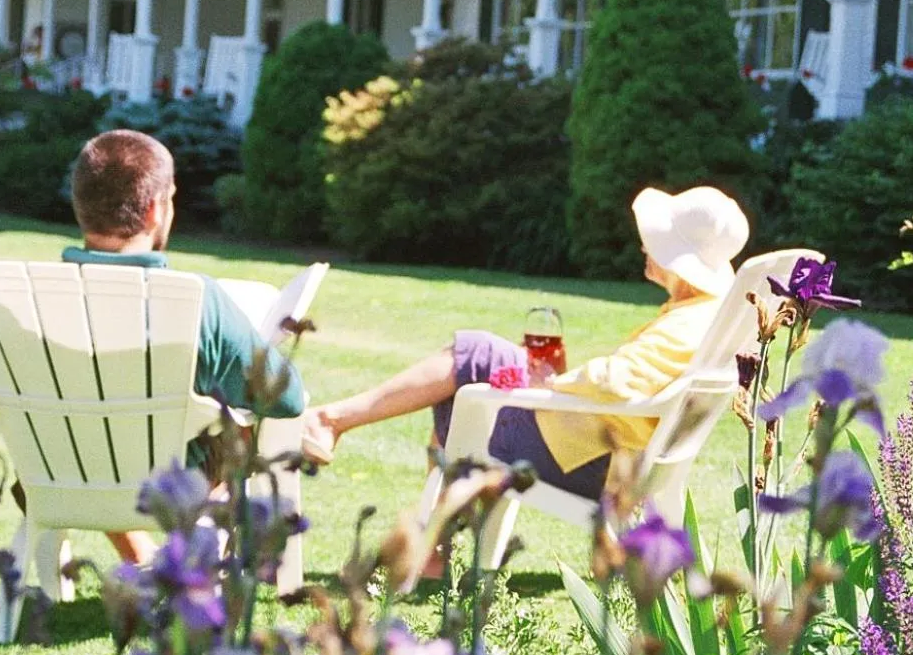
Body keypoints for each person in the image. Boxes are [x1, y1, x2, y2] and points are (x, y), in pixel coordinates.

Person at [0, 129, 306, 562]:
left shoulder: (12, 301)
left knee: (94, 434)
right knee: (241, 424)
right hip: (172, 487)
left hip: (50, 480)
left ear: (79, 204)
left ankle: (141, 558)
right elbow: (287, 399)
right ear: (157, 208)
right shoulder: (199, 300)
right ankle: (201, 553)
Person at [300, 185, 749, 501]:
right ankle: (335, 426)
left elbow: (621, 381)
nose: (645, 246)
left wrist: (554, 385)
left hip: (592, 459)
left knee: (471, 367)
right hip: (609, 449)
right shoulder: (707, 313)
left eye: (655, 241)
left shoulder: (691, 322)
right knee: (476, 372)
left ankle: (331, 421)